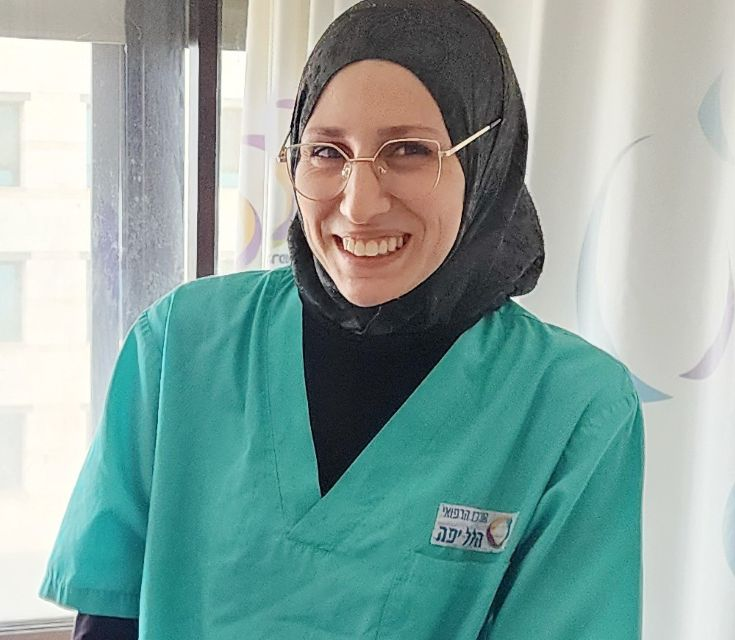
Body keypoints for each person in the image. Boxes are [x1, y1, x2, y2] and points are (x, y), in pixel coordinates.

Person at [40, 1, 645, 638]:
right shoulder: (181, 344)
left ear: (488, 161)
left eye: (409, 150)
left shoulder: (570, 408)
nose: (359, 205)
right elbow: (108, 619)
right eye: (327, 151)